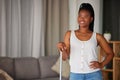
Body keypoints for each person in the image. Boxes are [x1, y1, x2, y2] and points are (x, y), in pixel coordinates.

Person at [57, 3, 114, 80]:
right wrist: (62, 48)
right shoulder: (69, 34)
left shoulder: (97, 36)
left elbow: (110, 53)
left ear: (91, 19)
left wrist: (101, 64)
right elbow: (65, 57)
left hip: (94, 75)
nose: (82, 19)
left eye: (86, 16)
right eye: (80, 16)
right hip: (75, 74)